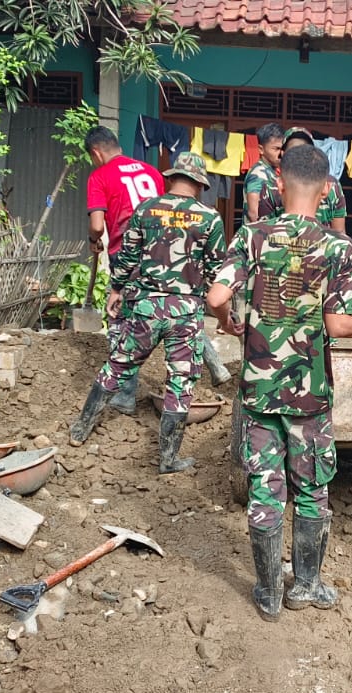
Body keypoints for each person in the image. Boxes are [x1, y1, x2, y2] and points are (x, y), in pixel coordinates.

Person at [207, 144, 352, 621]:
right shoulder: (336, 247)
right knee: (312, 489)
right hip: (310, 396)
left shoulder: (252, 235)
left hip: (260, 392)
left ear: (279, 184)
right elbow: (338, 326)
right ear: (327, 190)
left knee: (265, 492)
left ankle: (268, 593)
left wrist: (228, 322)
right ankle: (306, 584)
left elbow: (217, 296)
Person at [69, 152, 226, 473]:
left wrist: (116, 289)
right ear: (199, 185)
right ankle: (168, 460)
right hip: (185, 313)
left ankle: (79, 431)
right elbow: (216, 272)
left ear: (171, 178)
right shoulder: (210, 218)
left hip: (146, 308)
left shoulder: (146, 209)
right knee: (181, 383)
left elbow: (128, 256)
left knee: (117, 366)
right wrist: (222, 311)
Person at [83, 125, 164, 415]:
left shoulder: (100, 176)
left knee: (120, 319)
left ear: (96, 153)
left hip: (127, 256)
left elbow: (97, 226)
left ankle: (125, 395)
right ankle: (215, 366)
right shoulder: (151, 171)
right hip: (162, 255)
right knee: (175, 311)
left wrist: (93, 240)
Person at [243, 123, 286, 223]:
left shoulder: (271, 171)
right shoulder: (258, 174)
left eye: (282, 149)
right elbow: (253, 213)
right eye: (276, 149)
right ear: (261, 149)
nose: (281, 154)